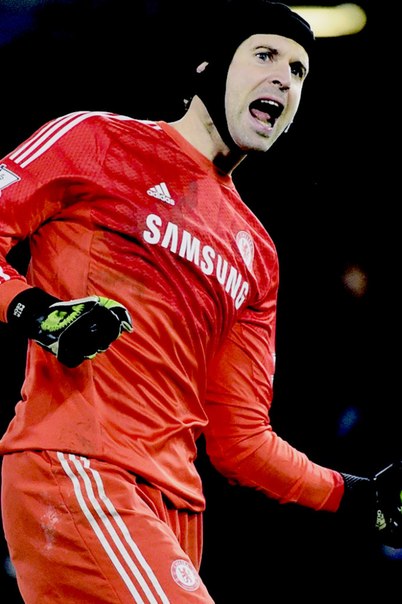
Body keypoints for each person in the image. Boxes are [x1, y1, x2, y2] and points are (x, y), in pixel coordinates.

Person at [0, 1, 400, 602]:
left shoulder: (257, 253)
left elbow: (242, 441)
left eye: (298, 72)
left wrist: (355, 495)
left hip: (177, 509)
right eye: (265, 56)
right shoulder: (97, 140)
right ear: (209, 69)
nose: (284, 80)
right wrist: (35, 311)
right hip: (80, 466)